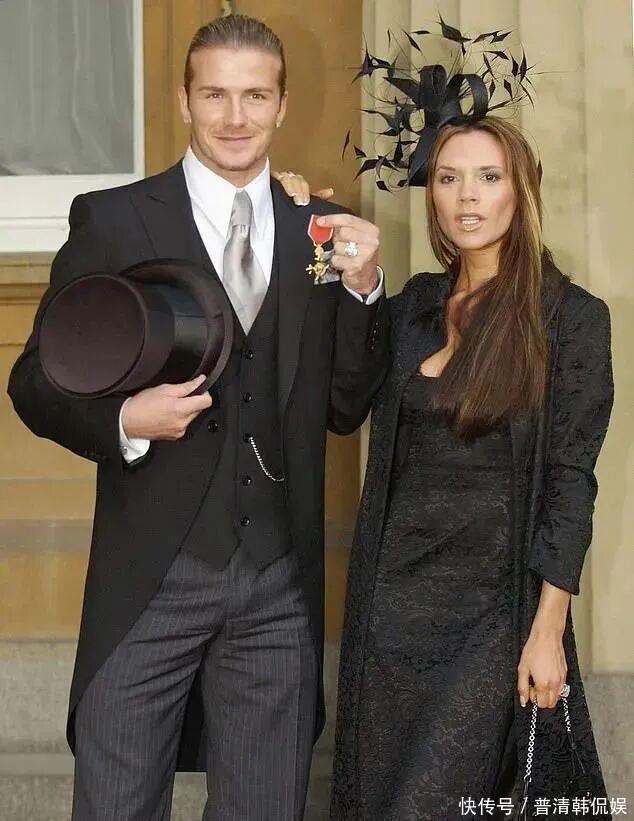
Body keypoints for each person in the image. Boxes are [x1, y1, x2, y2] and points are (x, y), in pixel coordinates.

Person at [7, 14, 389, 821]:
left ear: (283, 104)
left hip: (278, 583)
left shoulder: (319, 230)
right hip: (150, 577)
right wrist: (125, 418)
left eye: (255, 96)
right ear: (184, 100)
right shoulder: (114, 219)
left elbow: (343, 406)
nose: (236, 116)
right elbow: (35, 380)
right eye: (215, 94)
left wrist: (364, 293)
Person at [328, 29, 614, 821]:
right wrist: (347, 273)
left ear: (522, 190)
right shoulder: (413, 307)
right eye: (450, 178)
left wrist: (548, 628)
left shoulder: (570, 319)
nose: (468, 197)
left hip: (493, 619)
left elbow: (571, 481)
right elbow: (343, 404)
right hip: (391, 616)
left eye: (489, 177)